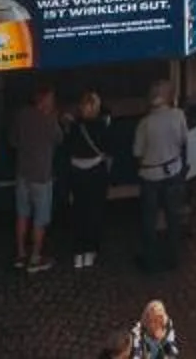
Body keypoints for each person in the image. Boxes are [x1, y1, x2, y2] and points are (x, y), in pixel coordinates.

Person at [133, 83, 190, 272]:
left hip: (150, 176)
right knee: (173, 217)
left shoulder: (145, 123)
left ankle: (150, 261)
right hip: (173, 171)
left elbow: (137, 152)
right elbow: (184, 141)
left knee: (149, 220)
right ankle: (173, 258)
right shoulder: (178, 115)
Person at [13, 78, 62, 274]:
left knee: (22, 215)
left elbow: (13, 140)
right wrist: (55, 119)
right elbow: (59, 139)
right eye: (51, 99)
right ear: (44, 100)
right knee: (40, 219)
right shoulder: (49, 120)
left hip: (22, 173)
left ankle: (20, 254)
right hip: (41, 176)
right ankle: (35, 258)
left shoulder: (22, 115)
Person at [60, 90, 114, 268]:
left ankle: (78, 253)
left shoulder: (74, 127)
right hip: (96, 173)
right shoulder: (102, 126)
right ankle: (91, 251)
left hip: (77, 174)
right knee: (94, 212)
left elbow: (66, 150)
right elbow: (109, 148)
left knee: (79, 212)